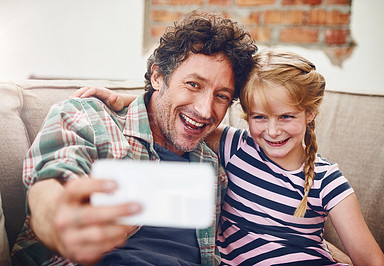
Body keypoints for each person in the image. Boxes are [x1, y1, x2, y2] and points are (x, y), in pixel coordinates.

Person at [81, 49, 384, 265]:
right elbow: (176, 118)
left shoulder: (327, 179)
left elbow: (369, 258)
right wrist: (124, 99)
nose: (273, 131)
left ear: (309, 113)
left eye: (286, 116)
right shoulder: (235, 146)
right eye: (259, 117)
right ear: (246, 115)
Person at [11, 10, 257, 265]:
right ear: (158, 76)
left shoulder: (215, 162)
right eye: (193, 84)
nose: (205, 110)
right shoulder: (89, 118)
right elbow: (52, 180)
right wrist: (60, 218)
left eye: (222, 96)